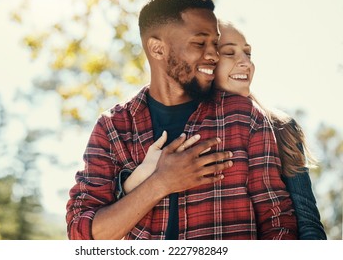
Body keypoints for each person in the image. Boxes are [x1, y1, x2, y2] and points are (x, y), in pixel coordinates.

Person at [66, 0, 297, 240]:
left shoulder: (244, 117)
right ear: (157, 49)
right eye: (199, 43)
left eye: (215, 44)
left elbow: (278, 223)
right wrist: (161, 182)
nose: (213, 55)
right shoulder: (114, 128)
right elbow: (82, 235)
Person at [122, 19, 326, 240]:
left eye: (248, 54)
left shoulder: (280, 126)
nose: (246, 63)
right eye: (229, 53)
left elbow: (307, 222)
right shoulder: (163, 128)